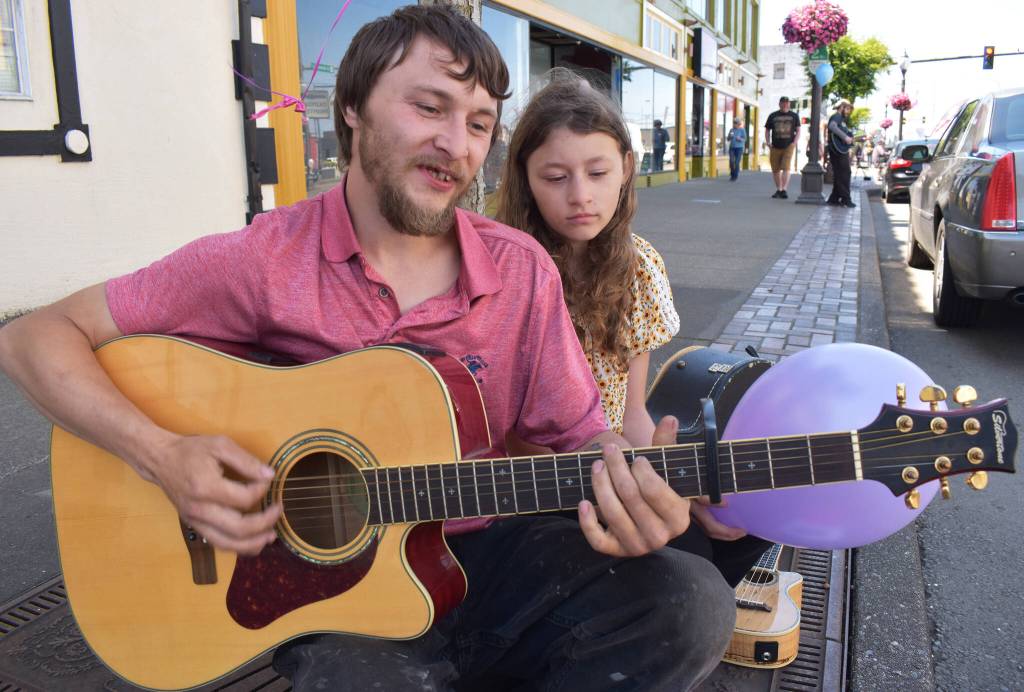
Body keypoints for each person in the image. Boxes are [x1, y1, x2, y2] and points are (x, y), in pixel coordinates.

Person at [0, 6, 734, 691]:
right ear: (352, 108)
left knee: (691, 602)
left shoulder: (519, 270)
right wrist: (161, 455)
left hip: (484, 554)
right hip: (329, 588)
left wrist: (635, 496)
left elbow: (584, 438)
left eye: (480, 123)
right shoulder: (264, 260)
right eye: (429, 107)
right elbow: (32, 338)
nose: (458, 145)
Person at [496, 70, 769, 588]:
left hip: (614, 464)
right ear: (525, 179)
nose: (580, 195)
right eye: (555, 178)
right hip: (531, 489)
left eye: (597, 173)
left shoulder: (639, 267)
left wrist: (681, 493)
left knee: (738, 522)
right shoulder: (504, 267)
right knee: (680, 564)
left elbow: (633, 411)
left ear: (625, 168)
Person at [764, 96, 800, 198]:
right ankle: (779, 189)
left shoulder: (794, 116)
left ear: (789, 104)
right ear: (779, 104)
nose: (785, 105)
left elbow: (798, 130)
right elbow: (767, 129)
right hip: (775, 146)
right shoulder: (773, 115)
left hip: (788, 145)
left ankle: (784, 189)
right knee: (775, 169)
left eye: (787, 103)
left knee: (786, 167)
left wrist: (794, 142)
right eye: (783, 103)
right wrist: (768, 142)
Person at [826, 100, 856, 208]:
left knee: (840, 174)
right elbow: (832, 127)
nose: (848, 112)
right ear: (841, 107)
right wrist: (845, 137)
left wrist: (850, 138)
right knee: (844, 173)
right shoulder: (836, 117)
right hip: (837, 150)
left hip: (840, 149)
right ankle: (846, 199)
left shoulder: (842, 120)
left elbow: (846, 135)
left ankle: (834, 198)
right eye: (847, 109)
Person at [726, 116, 747, 181]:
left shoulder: (742, 130)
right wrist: (730, 136)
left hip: (739, 148)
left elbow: (745, 139)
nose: (734, 124)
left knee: (737, 162)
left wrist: (740, 139)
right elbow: (728, 139)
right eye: (734, 123)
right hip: (732, 148)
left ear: (739, 124)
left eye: (735, 123)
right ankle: (732, 174)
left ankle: (735, 176)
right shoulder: (731, 130)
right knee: (731, 161)